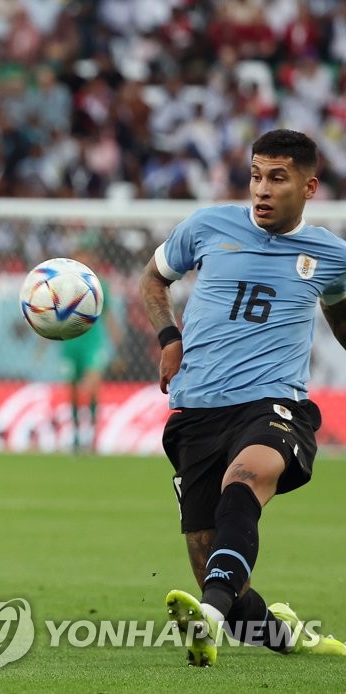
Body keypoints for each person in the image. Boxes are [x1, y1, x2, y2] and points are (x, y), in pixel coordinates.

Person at [139, 129, 346, 666]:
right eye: (256, 175)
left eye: (278, 178)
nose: (262, 189)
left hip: (274, 405)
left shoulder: (330, 255)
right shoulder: (208, 226)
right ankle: (284, 634)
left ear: (309, 186)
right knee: (218, 574)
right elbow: (153, 280)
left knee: (247, 478)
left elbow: (341, 317)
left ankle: (204, 619)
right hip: (197, 410)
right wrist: (169, 338)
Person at [59, 242, 121, 453]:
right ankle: (76, 435)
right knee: (74, 390)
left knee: (93, 386)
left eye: (86, 256)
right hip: (70, 342)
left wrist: (117, 344)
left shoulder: (100, 285)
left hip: (93, 343)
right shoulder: (61, 285)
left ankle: (93, 435)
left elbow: (109, 315)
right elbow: (51, 315)